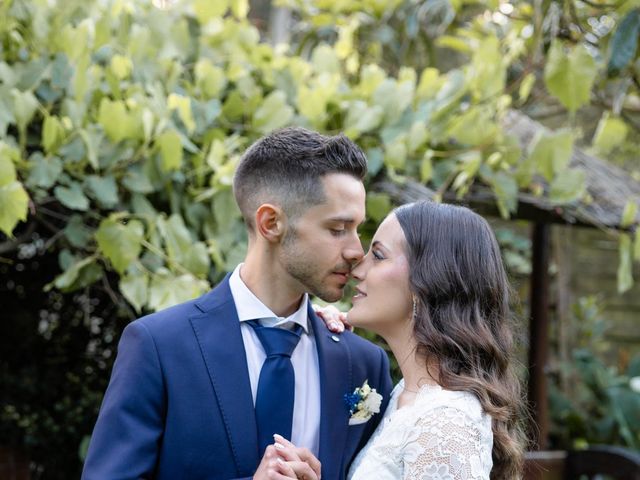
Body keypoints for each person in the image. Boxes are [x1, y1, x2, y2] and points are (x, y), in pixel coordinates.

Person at [81, 127, 393, 480]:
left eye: (357, 230)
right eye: (338, 229)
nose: (356, 251)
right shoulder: (159, 346)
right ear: (270, 223)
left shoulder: (364, 364)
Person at [271, 201, 527, 480]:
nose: (357, 269)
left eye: (378, 256)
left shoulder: (445, 423)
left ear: (427, 281)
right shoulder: (406, 395)